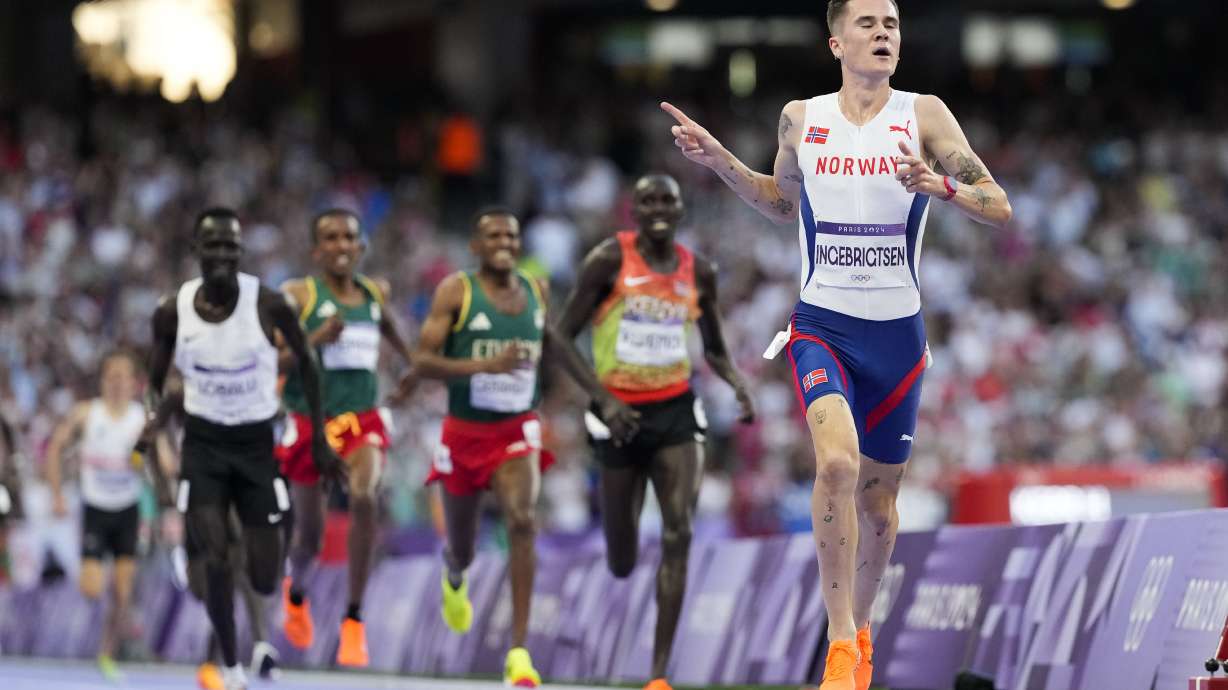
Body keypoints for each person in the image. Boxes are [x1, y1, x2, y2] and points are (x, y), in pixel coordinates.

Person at [662, 1, 1012, 688]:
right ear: (835, 42)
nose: (883, 33)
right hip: (824, 326)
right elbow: (780, 202)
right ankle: (839, 642)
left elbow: (997, 205)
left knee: (879, 507)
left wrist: (939, 184)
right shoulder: (801, 118)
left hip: (899, 341)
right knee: (837, 465)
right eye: (868, 24)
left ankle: (863, 626)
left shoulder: (924, 114)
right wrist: (719, 160)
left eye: (892, 25)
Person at [413, 207, 638, 689]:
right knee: (463, 547)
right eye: (493, 236)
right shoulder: (456, 291)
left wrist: (600, 396)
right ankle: (455, 574)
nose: (503, 243)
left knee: (521, 520)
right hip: (463, 434)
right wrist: (485, 367)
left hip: (516, 430)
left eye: (511, 236)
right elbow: (424, 360)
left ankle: (518, 653)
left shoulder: (535, 290)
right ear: (476, 246)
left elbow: (553, 343)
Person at [554, 174, 756, 690]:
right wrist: (603, 399)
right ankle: (621, 554)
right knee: (622, 560)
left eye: (668, 200)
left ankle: (659, 674)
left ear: (681, 209)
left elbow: (713, 347)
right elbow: (559, 336)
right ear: (635, 210)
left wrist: (737, 383)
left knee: (679, 531)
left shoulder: (699, 271)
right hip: (618, 414)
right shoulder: (608, 260)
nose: (659, 208)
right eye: (648, 201)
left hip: (676, 412)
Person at [143, 208, 342, 690]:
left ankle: (264, 605)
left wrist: (319, 437)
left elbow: (309, 363)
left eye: (230, 246)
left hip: (256, 445)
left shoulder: (270, 304)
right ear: (196, 250)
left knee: (265, 574)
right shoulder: (172, 310)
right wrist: (162, 433)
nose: (222, 255)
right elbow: (154, 382)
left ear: (241, 252)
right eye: (212, 245)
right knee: (215, 556)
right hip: (204, 446)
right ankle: (230, 666)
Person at [276, 209, 416, 667]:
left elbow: (392, 332)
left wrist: (413, 370)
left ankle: (354, 618)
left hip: (361, 420)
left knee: (364, 495)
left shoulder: (375, 293)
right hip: (311, 423)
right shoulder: (298, 294)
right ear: (317, 250)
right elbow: (273, 361)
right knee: (310, 537)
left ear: (360, 247)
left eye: (348, 237)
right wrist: (315, 338)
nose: (340, 245)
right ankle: (297, 592)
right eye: (331, 238)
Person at [43, 350, 147, 681]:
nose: (117, 382)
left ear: (133, 382)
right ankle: (97, 586)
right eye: (111, 376)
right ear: (103, 380)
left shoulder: (141, 419)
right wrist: (57, 494)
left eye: (123, 376)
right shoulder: (87, 414)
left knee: (123, 592)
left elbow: (162, 459)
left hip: (127, 509)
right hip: (96, 509)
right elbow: (55, 447)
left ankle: (106, 652)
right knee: (92, 588)